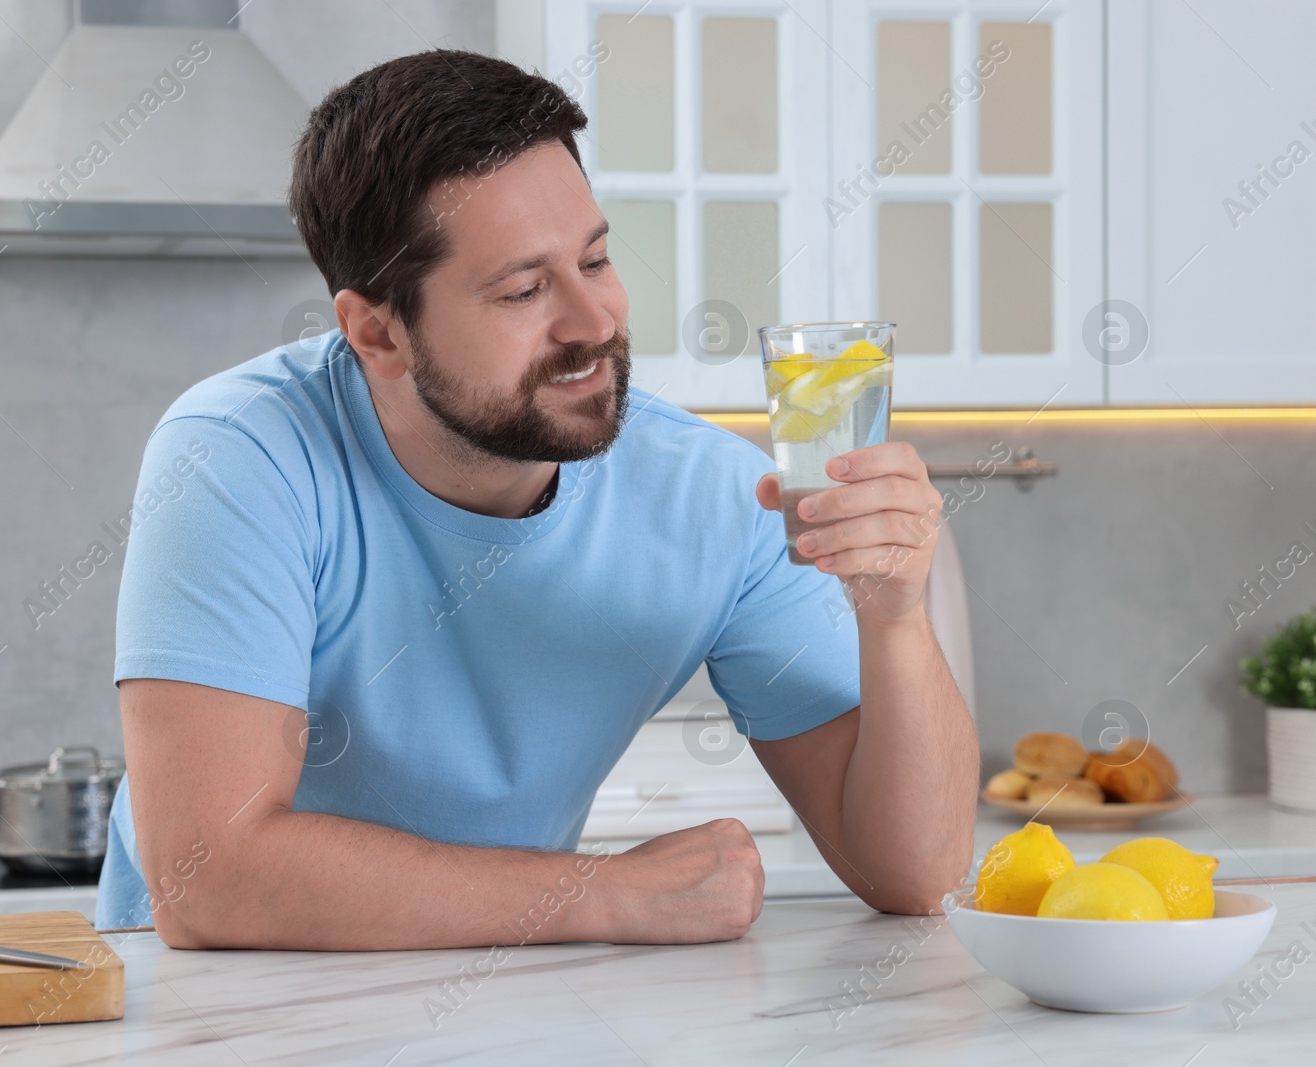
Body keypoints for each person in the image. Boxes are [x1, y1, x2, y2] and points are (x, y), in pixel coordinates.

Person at [94, 49, 978, 949]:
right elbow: (210, 879)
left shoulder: (717, 495)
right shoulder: (239, 457)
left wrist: (894, 616)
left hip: (500, 991)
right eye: (523, 289)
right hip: (215, 1011)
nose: (594, 324)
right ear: (377, 331)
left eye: (594, 260)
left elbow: (916, 877)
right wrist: (603, 894)